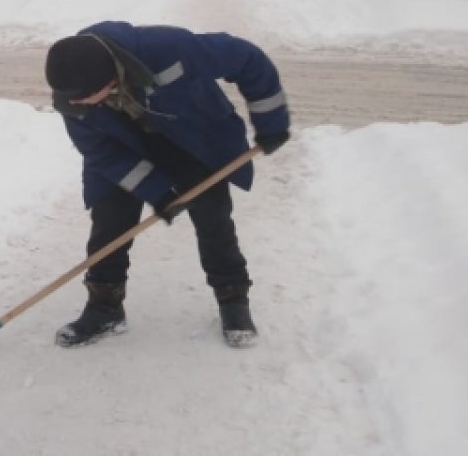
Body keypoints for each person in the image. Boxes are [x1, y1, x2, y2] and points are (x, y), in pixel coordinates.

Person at [44, 22, 291, 349]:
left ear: (110, 78)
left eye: (89, 98)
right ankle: (105, 307)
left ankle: (233, 299)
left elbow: (247, 59)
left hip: (192, 140)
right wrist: (157, 191)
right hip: (125, 149)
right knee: (110, 223)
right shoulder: (73, 95)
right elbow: (100, 151)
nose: (81, 106)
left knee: (213, 218)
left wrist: (271, 121)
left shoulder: (169, 48)